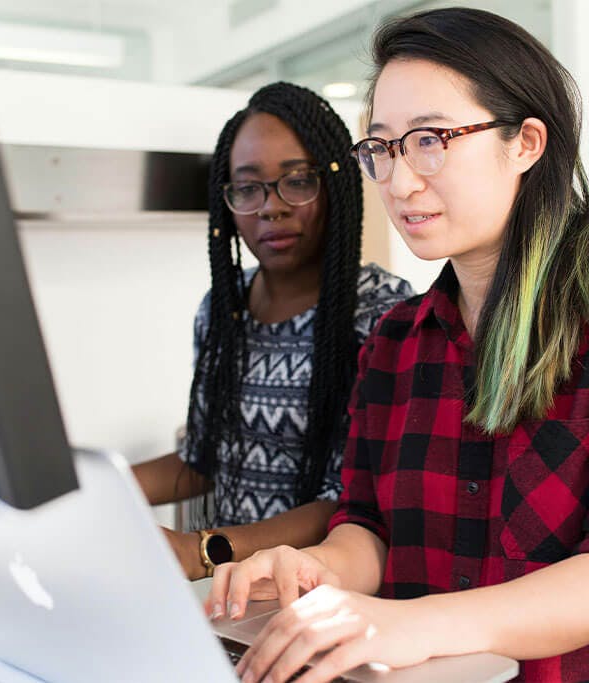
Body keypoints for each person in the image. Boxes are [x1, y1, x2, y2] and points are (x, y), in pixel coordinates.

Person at [206, 8, 589, 683]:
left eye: (431, 140)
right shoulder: (395, 339)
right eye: (382, 148)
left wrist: (419, 621)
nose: (400, 181)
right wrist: (319, 567)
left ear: (526, 142)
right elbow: (369, 527)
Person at [133, 82, 413, 581]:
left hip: (323, 594)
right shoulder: (223, 309)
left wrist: (202, 551)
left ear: (335, 185)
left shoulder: (381, 314)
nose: (271, 207)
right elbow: (203, 458)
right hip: (230, 595)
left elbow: (351, 500)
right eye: (248, 187)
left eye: (297, 181)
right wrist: (93, 491)